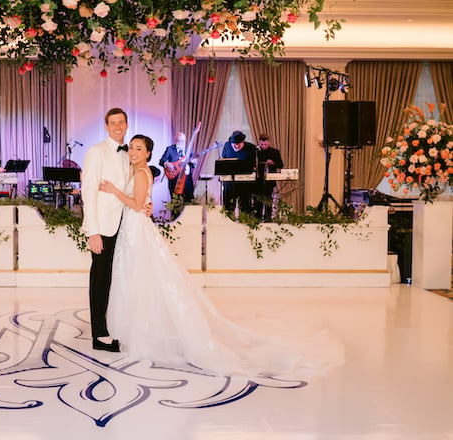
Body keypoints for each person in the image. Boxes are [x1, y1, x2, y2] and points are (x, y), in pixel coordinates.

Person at [99, 134, 344, 378]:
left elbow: (136, 202)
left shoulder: (142, 173)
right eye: (131, 148)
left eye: (138, 149)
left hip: (136, 231)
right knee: (135, 278)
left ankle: (142, 333)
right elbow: (141, 203)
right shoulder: (136, 170)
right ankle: (138, 330)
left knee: (139, 278)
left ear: (148, 154)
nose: (133, 152)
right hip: (132, 229)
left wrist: (113, 191)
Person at [80, 107, 131, 353]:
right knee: (100, 279)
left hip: (127, 223)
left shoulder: (130, 152)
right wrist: (93, 231)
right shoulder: (96, 152)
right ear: (107, 126)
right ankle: (99, 335)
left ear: (127, 124)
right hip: (104, 227)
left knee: (118, 277)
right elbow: (88, 192)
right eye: (113, 123)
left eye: (121, 122)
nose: (118, 127)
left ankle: (118, 325)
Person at [221, 130, 256, 214]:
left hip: (245, 183)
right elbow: (224, 159)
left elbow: (254, 165)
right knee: (228, 206)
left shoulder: (251, 148)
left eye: (238, 145)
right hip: (230, 183)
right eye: (234, 145)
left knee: (245, 206)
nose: (236, 147)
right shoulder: (227, 146)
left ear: (243, 142)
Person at [159, 131, 197, 203]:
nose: (182, 143)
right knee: (175, 203)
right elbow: (161, 161)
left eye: (184, 141)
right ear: (176, 140)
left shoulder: (189, 151)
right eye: (180, 141)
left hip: (187, 181)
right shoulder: (170, 150)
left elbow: (193, 165)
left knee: (189, 202)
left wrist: (194, 163)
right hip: (175, 180)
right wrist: (167, 163)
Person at [255, 133, 284, 221]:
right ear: (259, 143)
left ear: (269, 143)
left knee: (268, 201)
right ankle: (258, 219)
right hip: (258, 181)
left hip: (270, 181)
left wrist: (273, 163)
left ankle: (268, 219)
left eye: (265, 144)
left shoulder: (275, 152)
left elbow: (281, 165)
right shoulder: (256, 152)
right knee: (258, 201)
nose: (263, 146)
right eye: (262, 144)